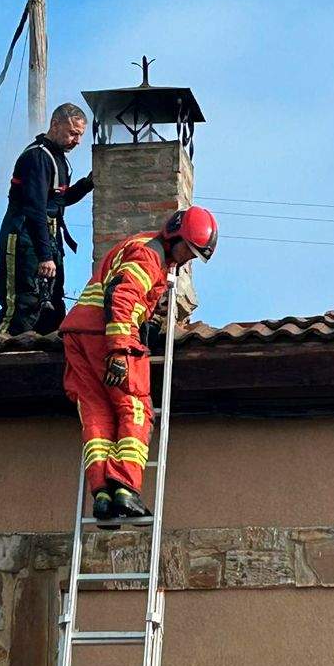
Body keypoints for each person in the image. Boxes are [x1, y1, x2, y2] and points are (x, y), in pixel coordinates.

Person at [59, 206, 218, 523]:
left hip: (78, 334)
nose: (188, 259)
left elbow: (122, 292)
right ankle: (125, 489)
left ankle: (102, 494)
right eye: (189, 250)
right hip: (106, 337)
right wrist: (119, 349)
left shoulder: (141, 247)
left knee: (96, 412)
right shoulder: (150, 256)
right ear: (175, 235)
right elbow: (121, 296)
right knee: (135, 408)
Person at [0, 103, 94, 336]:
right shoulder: (37, 157)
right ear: (55, 125)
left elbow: (57, 201)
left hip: (48, 239)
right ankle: (1, 360)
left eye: (80, 135)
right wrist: (45, 256)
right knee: (23, 305)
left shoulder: (58, 159)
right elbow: (35, 208)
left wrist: (88, 183)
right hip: (24, 239)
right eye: (72, 133)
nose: (76, 141)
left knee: (52, 307)